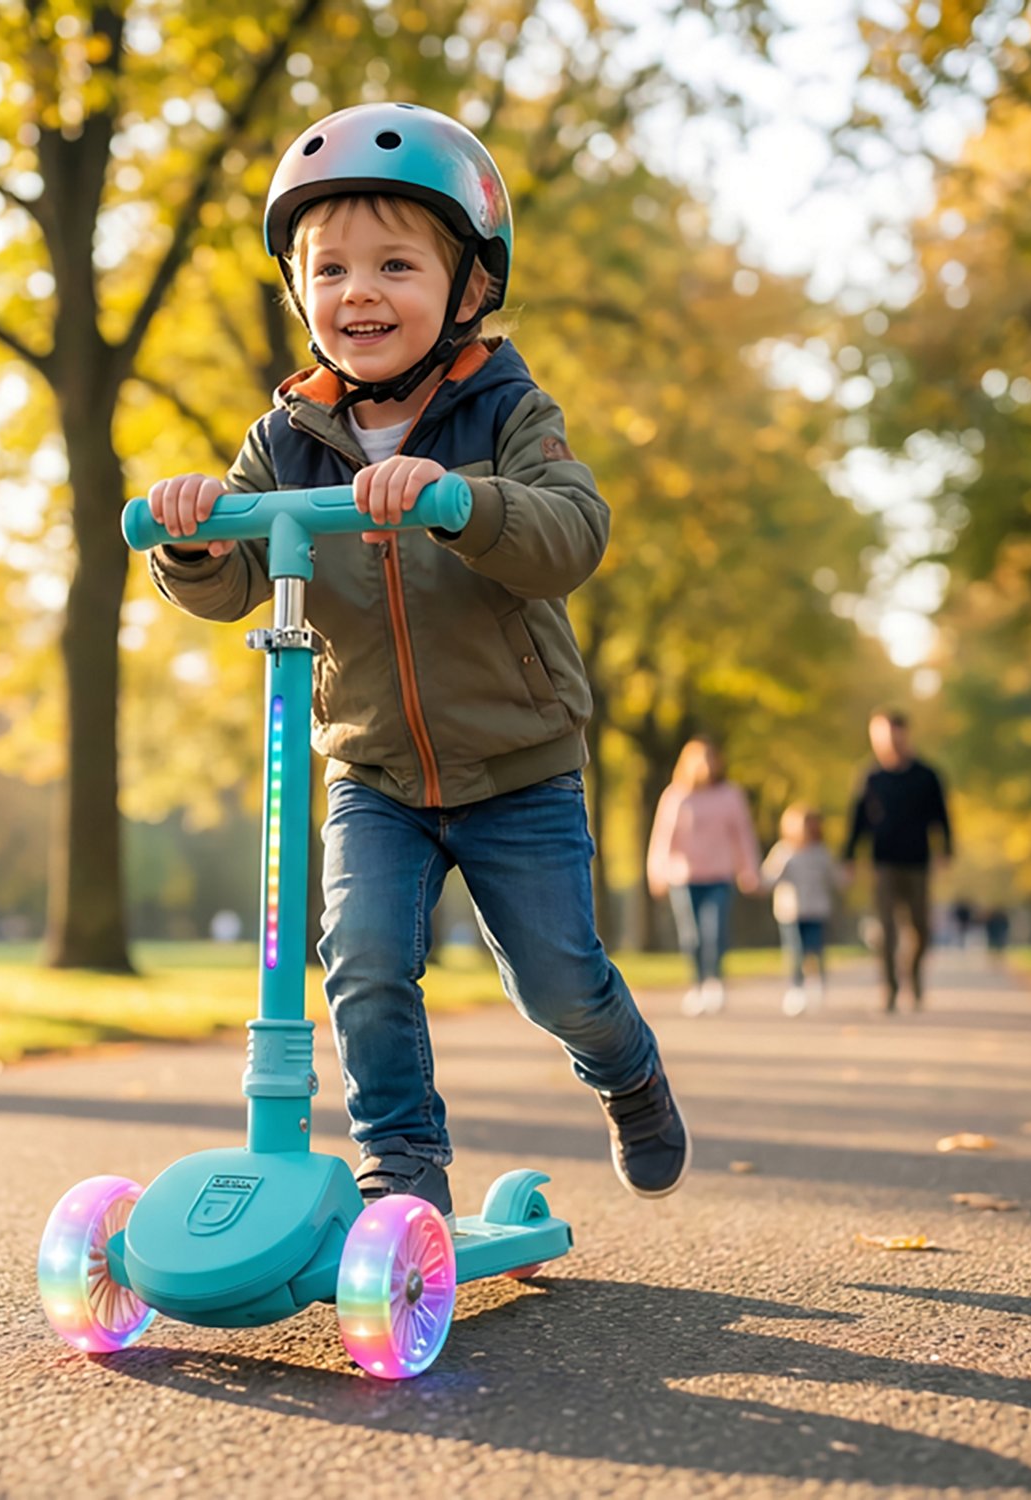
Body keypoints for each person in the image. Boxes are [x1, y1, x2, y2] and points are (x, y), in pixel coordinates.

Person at [142, 103, 688, 1215]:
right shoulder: (285, 436)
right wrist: (196, 537)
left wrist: (459, 500)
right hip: (373, 773)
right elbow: (234, 576)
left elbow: (570, 535)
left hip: (518, 768)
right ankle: (403, 1160)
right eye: (330, 267)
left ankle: (625, 1068)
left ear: (468, 288)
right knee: (364, 964)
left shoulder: (506, 410)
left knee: (558, 984)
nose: (360, 293)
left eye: (396, 264)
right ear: (301, 293)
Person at [842, 708, 953, 1012]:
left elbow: (941, 816)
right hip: (883, 863)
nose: (889, 740)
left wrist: (946, 849)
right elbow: (858, 820)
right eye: (881, 735)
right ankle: (890, 989)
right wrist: (849, 855)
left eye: (894, 733)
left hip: (918, 861)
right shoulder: (870, 776)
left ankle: (913, 978)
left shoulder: (927, 776)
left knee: (921, 929)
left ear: (905, 734)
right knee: (886, 929)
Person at [646, 738, 760, 1015]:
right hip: (684, 878)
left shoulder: (730, 795)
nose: (707, 765)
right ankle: (697, 984)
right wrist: (656, 872)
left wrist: (749, 869)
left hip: (719, 875)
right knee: (691, 936)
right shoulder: (676, 795)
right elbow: (662, 837)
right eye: (701, 759)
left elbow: (743, 834)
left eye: (711, 758)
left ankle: (715, 983)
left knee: (715, 931)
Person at [760, 805, 842, 1015]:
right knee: (795, 952)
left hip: (817, 910)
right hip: (791, 911)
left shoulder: (822, 852)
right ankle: (796, 988)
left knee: (815, 950)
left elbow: (835, 876)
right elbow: (770, 877)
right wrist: (759, 884)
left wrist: (847, 877)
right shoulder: (783, 851)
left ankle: (817, 983)